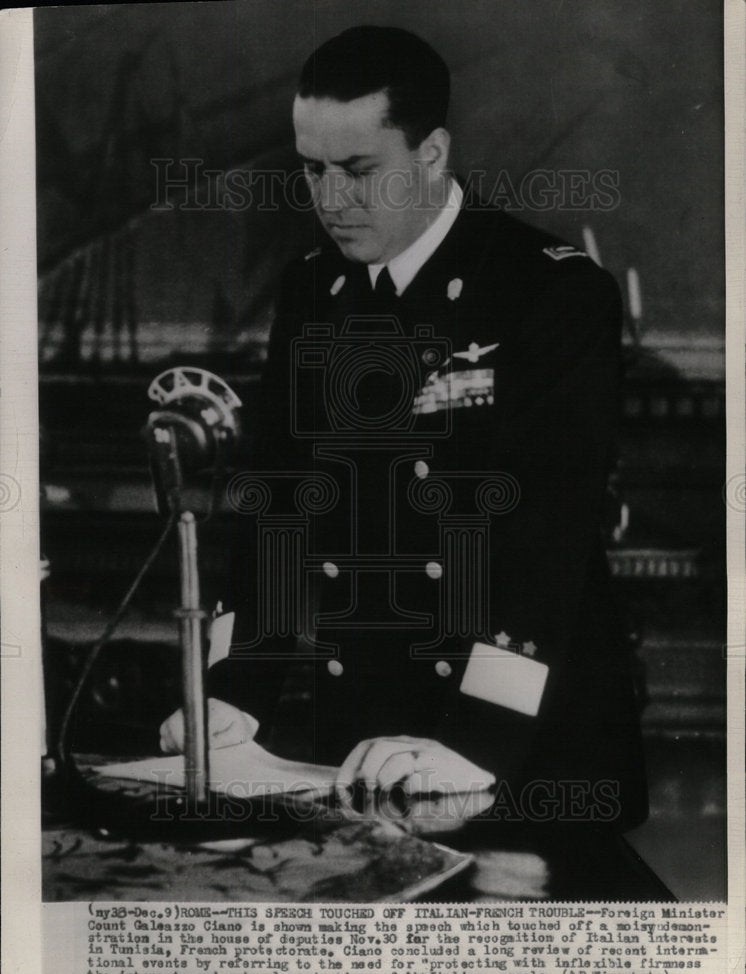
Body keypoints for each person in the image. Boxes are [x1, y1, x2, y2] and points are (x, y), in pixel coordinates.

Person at [160, 25, 648, 831]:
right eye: (312, 170)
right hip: (363, 744)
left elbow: (546, 545)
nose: (332, 199)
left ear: (432, 153)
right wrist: (236, 692)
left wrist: (475, 738)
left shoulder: (549, 293)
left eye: (359, 172)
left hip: (527, 749)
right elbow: (282, 505)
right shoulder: (313, 290)